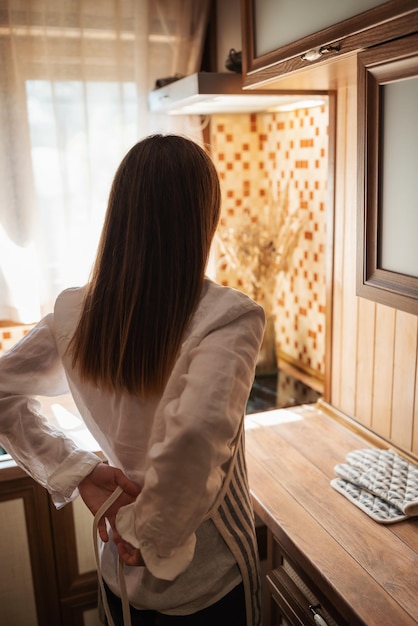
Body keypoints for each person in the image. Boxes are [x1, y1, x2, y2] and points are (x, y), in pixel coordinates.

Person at [0, 134, 266, 626]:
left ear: (119, 215)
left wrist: (78, 471)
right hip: (205, 582)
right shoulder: (228, 317)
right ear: (203, 220)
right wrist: (147, 535)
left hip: (117, 579)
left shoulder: (75, 313)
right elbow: (195, 435)